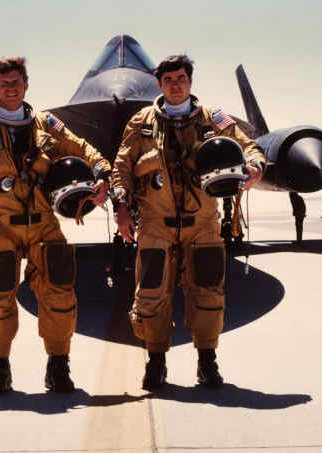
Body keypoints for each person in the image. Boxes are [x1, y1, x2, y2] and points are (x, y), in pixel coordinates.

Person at [0, 57, 111, 396]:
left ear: (26, 84)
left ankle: (58, 367)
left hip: (43, 225)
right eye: (4, 83)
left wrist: (102, 171)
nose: (11, 88)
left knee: (60, 295)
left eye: (16, 82)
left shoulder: (44, 124)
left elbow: (79, 146)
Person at [110, 55, 266, 390]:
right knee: (151, 294)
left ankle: (207, 363)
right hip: (155, 225)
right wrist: (121, 205)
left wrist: (256, 165)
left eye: (181, 78)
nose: (175, 85)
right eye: (168, 80)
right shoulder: (141, 121)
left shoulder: (213, 119)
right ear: (160, 84)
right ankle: (156, 362)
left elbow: (249, 146)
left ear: (190, 81)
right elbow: (122, 166)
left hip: (202, 225)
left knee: (208, 293)